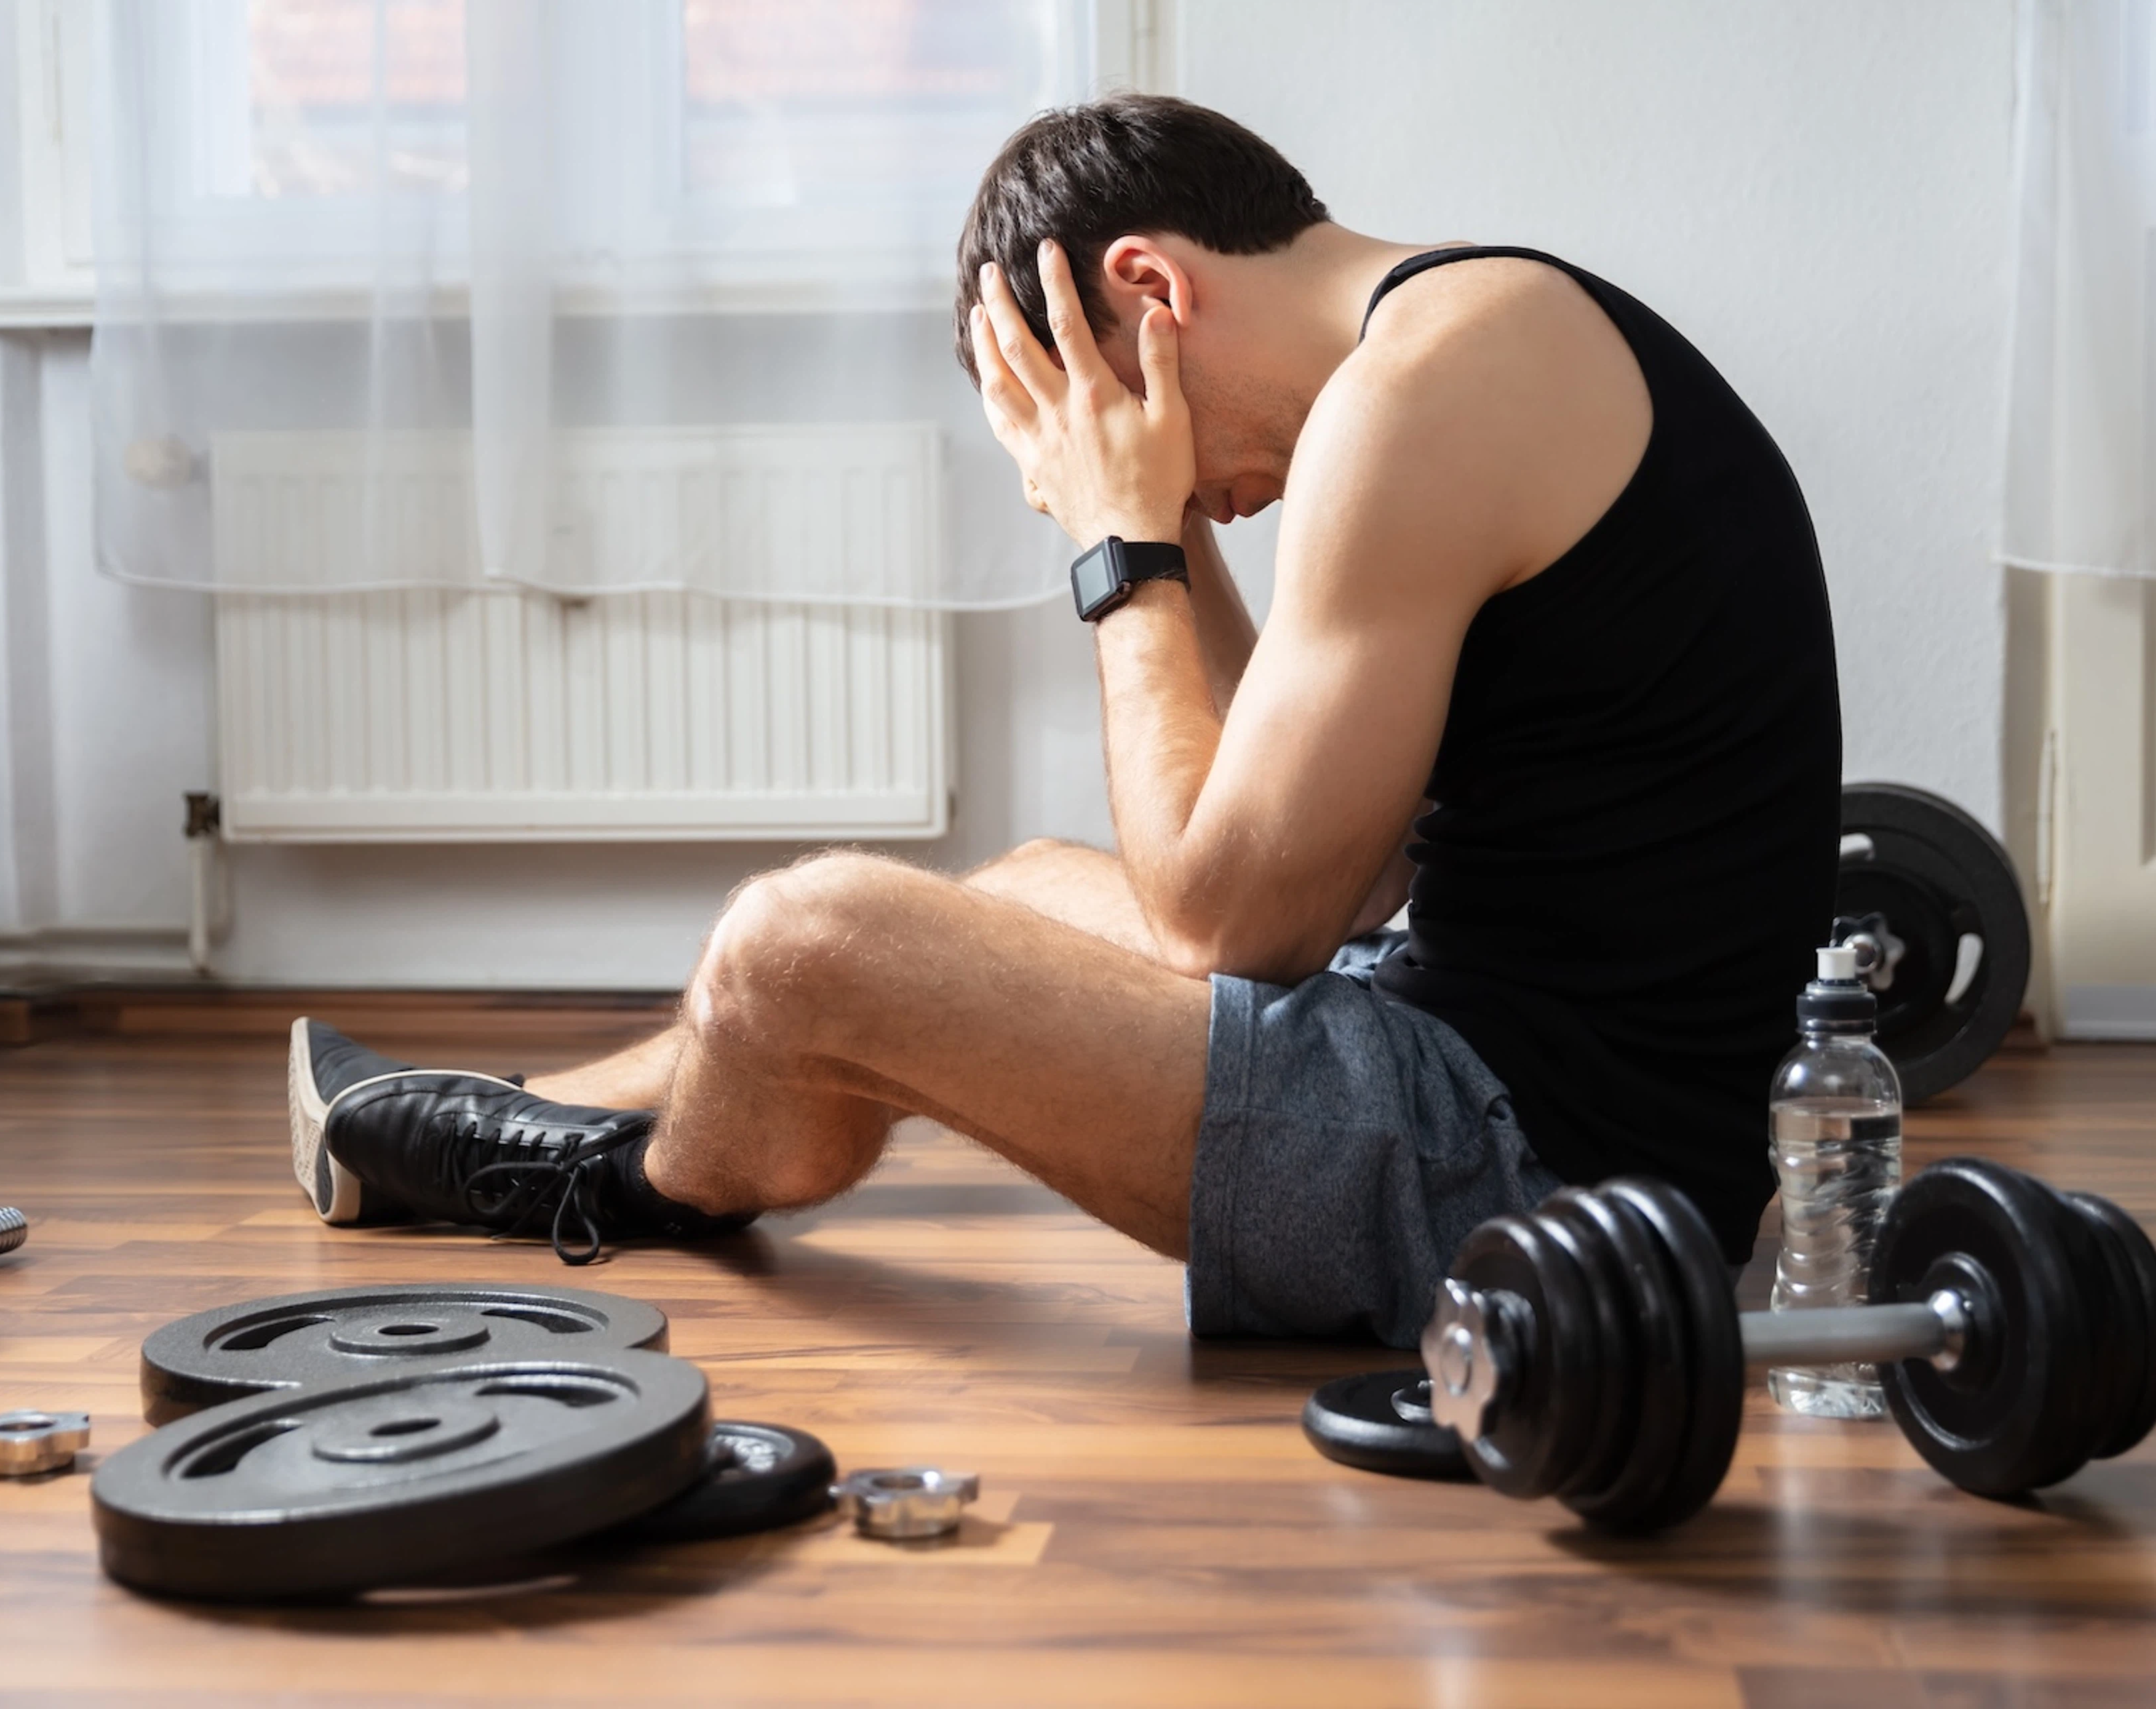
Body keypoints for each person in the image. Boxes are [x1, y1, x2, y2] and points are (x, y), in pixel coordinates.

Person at [286, 94, 1841, 1345]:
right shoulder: (1468, 329)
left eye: (1086, 403)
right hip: (1513, 1077)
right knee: (1021, 884)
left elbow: (1235, 922)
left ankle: (629, 1180)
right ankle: (537, 1109)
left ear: (1153, 293)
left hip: (1536, 1190)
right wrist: (1176, 525)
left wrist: (1122, 543)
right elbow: (1344, 868)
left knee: (800, 939)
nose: (1158, 483)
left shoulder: (1415, 397)